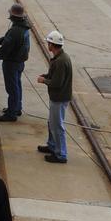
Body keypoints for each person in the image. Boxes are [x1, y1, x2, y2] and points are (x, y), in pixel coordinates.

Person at [36, 29, 72, 163]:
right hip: (57, 97)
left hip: (59, 98)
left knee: (57, 126)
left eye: (48, 43)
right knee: (52, 123)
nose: (47, 45)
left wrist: (44, 80)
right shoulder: (59, 58)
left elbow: (57, 83)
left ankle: (61, 154)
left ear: (52, 45)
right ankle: (52, 145)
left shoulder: (61, 61)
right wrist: (46, 76)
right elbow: (55, 76)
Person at [0, 3, 30, 122]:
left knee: (12, 88)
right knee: (17, 86)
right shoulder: (22, 27)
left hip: (11, 63)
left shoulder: (15, 31)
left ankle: (11, 114)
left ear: (13, 16)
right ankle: (16, 108)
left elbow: (6, 48)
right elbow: (8, 39)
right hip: (19, 62)